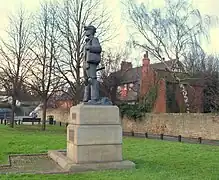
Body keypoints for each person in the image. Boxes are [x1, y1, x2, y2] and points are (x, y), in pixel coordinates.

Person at [83, 25, 102, 104]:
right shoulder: (87, 42)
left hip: (91, 62)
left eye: (87, 30)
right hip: (86, 63)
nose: (85, 32)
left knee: (92, 80)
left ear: (90, 31)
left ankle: (95, 98)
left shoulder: (94, 40)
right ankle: (86, 98)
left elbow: (99, 49)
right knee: (86, 81)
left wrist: (89, 48)